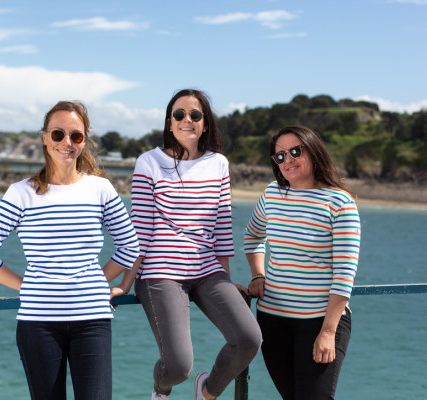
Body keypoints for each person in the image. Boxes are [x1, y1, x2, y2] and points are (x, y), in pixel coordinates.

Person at [0, 100, 139, 400]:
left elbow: (129, 246)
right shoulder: (21, 193)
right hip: (39, 325)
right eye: (58, 134)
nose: (66, 142)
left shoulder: (100, 189)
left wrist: (97, 280)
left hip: (92, 321)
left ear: (84, 142)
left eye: (76, 136)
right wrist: (28, 286)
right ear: (44, 137)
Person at [111, 89, 262, 400]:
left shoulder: (219, 163)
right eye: (179, 115)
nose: (187, 120)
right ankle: (160, 391)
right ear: (170, 122)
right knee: (179, 366)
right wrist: (125, 283)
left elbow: (221, 228)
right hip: (159, 272)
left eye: (195, 115)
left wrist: (227, 279)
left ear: (205, 124)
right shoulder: (148, 162)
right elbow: (138, 231)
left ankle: (206, 392)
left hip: (208, 272)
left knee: (249, 338)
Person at [244, 125, 361, 399]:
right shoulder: (272, 194)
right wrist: (258, 275)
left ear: (314, 150)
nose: (288, 160)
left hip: (319, 323)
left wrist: (328, 331)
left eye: (295, 151)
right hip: (272, 321)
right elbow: (252, 236)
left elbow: (345, 274)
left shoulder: (339, 203)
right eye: (280, 156)